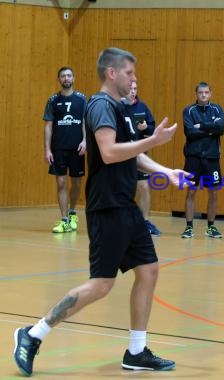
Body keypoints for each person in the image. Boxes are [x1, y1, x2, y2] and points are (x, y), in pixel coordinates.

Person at [13, 47, 186, 376]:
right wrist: (153, 141)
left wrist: (167, 171)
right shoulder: (101, 105)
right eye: (130, 73)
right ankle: (33, 334)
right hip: (107, 207)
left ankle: (136, 351)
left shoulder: (120, 108)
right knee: (101, 284)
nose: (134, 79)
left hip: (126, 206)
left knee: (148, 269)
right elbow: (108, 153)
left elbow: (132, 156)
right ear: (112, 73)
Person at [43, 66, 87, 233]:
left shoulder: (82, 99)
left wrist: (85, 141)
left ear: (73, 78)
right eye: (63, 76)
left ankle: (73, 212)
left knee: (76, 183)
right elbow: (48, 126)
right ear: (59, 79)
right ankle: (64, 219)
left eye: (69, 75)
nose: (66, 78)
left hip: (77, 149)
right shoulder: (53, 100)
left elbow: (85, 122)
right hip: (58, 148)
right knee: (61, 182)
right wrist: (47, 149)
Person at [181, 82, 224, 239]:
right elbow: (190, 132)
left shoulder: (217, 109)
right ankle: (189, 227)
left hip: (212, 157)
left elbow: (221, 129)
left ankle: (211, 227)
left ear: (211, 93)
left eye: (206, 92)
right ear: (196, 94)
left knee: (213, 192)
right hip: (193, 157)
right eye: (201, 92)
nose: (204, 95)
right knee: (191, 191)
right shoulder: (189, 110)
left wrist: (201, 126)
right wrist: (210, 130)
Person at [125, 81, 161, 236]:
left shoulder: (142, 107)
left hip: (140, 155)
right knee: (125, 189)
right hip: (122, 154)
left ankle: (145, 221)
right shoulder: (118, 107)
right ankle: (125, 223)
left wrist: (146, 128)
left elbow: (154, 131)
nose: (133, 92)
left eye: (135, 89)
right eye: (130, 89)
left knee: (144, 187)